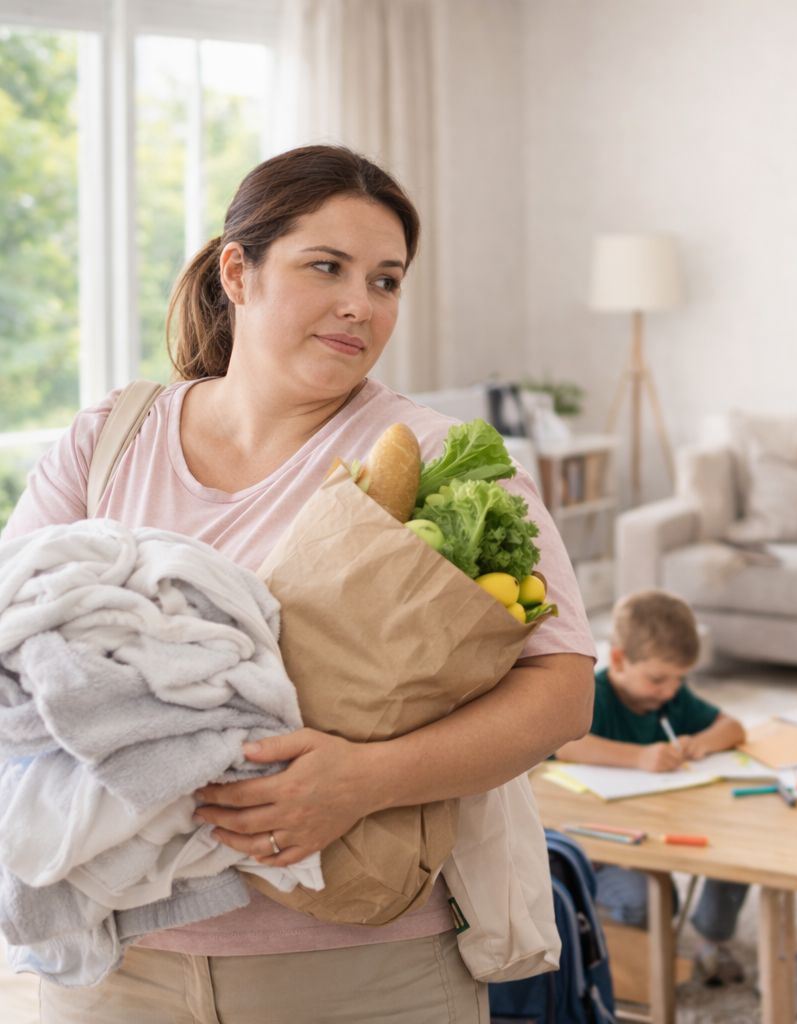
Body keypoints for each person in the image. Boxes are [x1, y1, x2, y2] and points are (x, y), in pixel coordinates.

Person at [3, 145, 597, 1022]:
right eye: (328, 267)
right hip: (109, 966)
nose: (360, 305)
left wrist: (367, 778)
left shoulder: (436, 462)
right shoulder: (108, 439)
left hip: (360, 967)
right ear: (238, 272)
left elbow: (562, 693)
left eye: (386, 281)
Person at [555, 589, 753, 985]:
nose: (670, 690)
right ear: (618, 660)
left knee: (737, 848)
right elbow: (563, 744)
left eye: (680, 679)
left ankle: (707, 936)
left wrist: (704, 742)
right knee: (652, 900)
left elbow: (733, 727)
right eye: (659, 678)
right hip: (591, 847)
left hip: (646, 833)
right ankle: (597, 941)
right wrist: (638, 756)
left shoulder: (670, 701)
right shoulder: (592, 694)